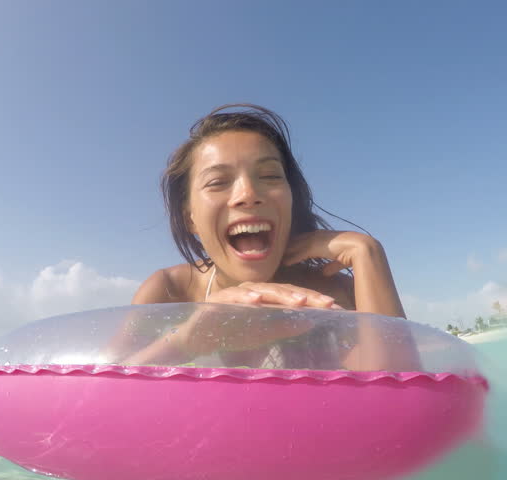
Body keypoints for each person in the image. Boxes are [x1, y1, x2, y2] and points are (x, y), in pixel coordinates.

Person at [119, 104, 418, 370]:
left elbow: (406, 407)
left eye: (271, 176)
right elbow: (89, 392)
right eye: (218, 182)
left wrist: (367, 252)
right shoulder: (170, 292)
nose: (248, 195)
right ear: (191, 220)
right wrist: (186, 339)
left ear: (290, 201)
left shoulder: (328, 296)